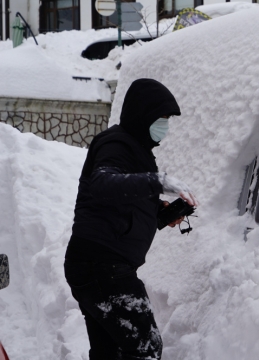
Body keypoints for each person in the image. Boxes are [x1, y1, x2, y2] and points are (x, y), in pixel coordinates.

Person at [64, 79, 197, 360]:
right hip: (102, 267)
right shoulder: (117, 145)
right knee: (144, 348)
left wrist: (161, 214)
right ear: (143, 115)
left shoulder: (135, 150)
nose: (165, 126)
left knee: (108, 352)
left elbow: (122, 206)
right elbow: (103, 182)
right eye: (161, 118)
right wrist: (157, 181)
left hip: (95, 265)